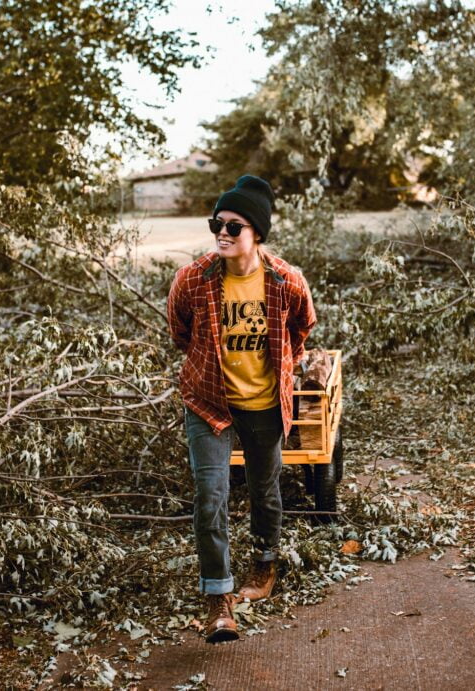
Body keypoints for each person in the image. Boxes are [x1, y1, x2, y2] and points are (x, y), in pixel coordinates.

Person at [166, 174, 317, 643]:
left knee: (264, 490)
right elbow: (181, 333)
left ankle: (264, 565)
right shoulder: (193, 279)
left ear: (257, 232)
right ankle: (219, 599)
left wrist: (274, 370)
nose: (223, 233)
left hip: (265, 403)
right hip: (207, 400)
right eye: (218, 224)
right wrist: (214, 365)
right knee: (210, 496)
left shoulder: (285, 280)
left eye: (234, 226)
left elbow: (301, 328)